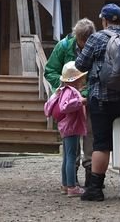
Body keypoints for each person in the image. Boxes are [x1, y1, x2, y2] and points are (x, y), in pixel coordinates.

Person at [74, 3, 120, 202]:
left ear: (104, 20)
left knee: (101, 143)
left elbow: (80, 65)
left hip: (103, 98)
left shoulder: (96, 38)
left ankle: (95, 190)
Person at [43, 18, 95, 184]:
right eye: (82, 40)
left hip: (89, 98)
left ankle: (91, 174)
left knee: (91, 135)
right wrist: (67, 86)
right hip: (70, 103)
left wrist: (86, 93)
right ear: (76, 37)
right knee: (71, 141)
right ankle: (72, 179)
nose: (85, 44)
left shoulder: (96, 47)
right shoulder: (64, 46)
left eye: (88, 41)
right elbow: (50, 71)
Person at [44, 61, 88, 196]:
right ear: (75, 80)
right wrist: (80, 101)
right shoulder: (70, 91)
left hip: (66, 127)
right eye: (81, 78)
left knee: (67, 157)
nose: (83, 81)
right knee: (71, 156)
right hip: (71, 127)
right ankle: (72, 187)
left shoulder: (62, 90)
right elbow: (65, 107)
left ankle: (65, 184)